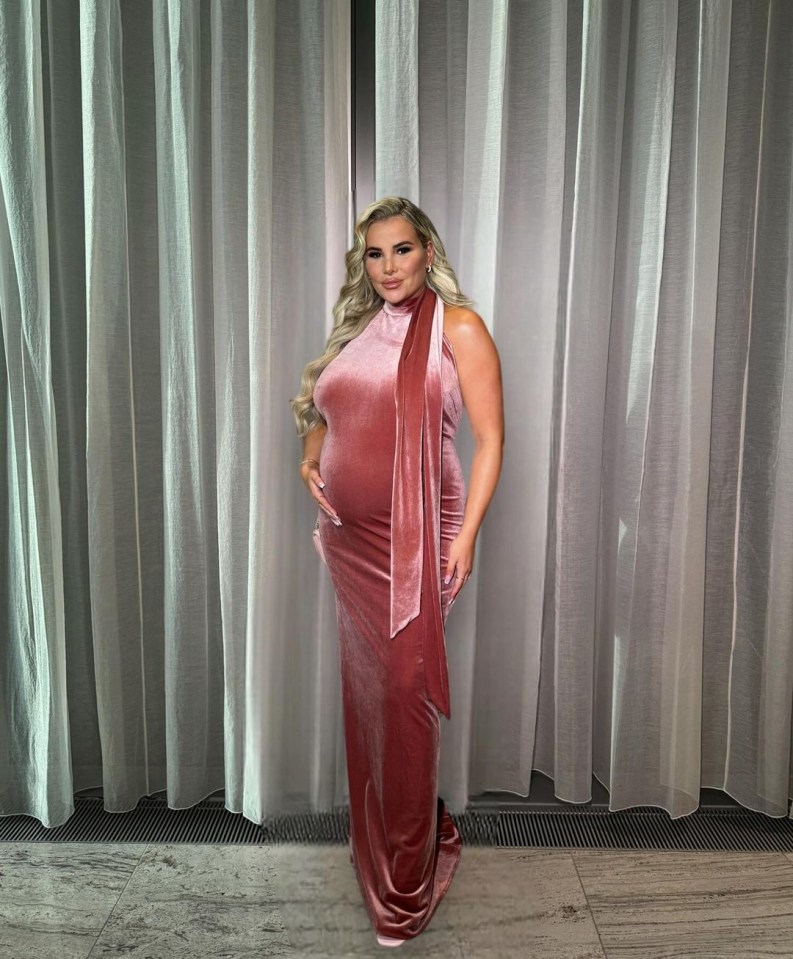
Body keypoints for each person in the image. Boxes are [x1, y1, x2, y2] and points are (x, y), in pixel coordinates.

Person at [290, 196, 504, 947]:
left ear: (427, 251)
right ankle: (379, 844)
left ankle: (406, 884)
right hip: (349, 543)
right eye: (375, 254)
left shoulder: (459, 328)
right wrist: (311, 455)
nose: (388, 267)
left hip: (418, 541)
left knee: (404, 699)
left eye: (402, 250)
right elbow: (326, 402)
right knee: (368, 698)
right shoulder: (356, 331)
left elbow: (491, 439)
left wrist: (467, 536)